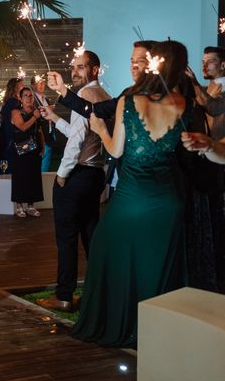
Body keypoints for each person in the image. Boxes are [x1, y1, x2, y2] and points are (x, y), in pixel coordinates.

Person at [71, 41, 191, 348]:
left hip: (132, 199)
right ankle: (153, 330)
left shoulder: (130, 100)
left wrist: (99, 129)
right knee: (156, 266)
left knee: (107, 250)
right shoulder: (181, 102)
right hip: (167, 202)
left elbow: (116, 149)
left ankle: (120, 324)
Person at [38, 50, 110, 312]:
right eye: (73, 67)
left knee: (66, 238)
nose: (74, 71)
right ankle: (97, 293)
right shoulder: (105, 96)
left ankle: (64, 296)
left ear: (95, 69)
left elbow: (77, 142)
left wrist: (62, 173)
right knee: (90, 235)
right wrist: (55, 118)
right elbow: (79, 132)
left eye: (81, 67)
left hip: (78, 173)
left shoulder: (83, 95)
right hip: (95, 175)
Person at [10, 87, 44, 217]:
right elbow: (22, 127)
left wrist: (43, 146)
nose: (29, 98)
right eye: (25, 95)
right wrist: (35, 117)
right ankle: (19, 206)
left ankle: (31, 206)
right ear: (20, 98)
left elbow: (39, 131)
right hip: (20, 149)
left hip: (34, 149)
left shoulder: (36, 111)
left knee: (33, 176)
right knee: (20, 176)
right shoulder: (16, 112)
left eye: (30, 95)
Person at [0, 77, 24, 174]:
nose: (24, 87)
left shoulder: (14, 102)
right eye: (22, 86)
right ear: (15, 88)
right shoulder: (13, 102)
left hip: (11, 140)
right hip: (10, 140)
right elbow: (11, 125)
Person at [31, 75, 55, 172]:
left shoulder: (46, 99)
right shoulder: (31, 98)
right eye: (38, 83)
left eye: (42, 83)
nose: (41, 85)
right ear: (33, 85)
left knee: (46, 162)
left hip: (49, 133)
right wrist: (47, 110)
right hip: (39, 134)